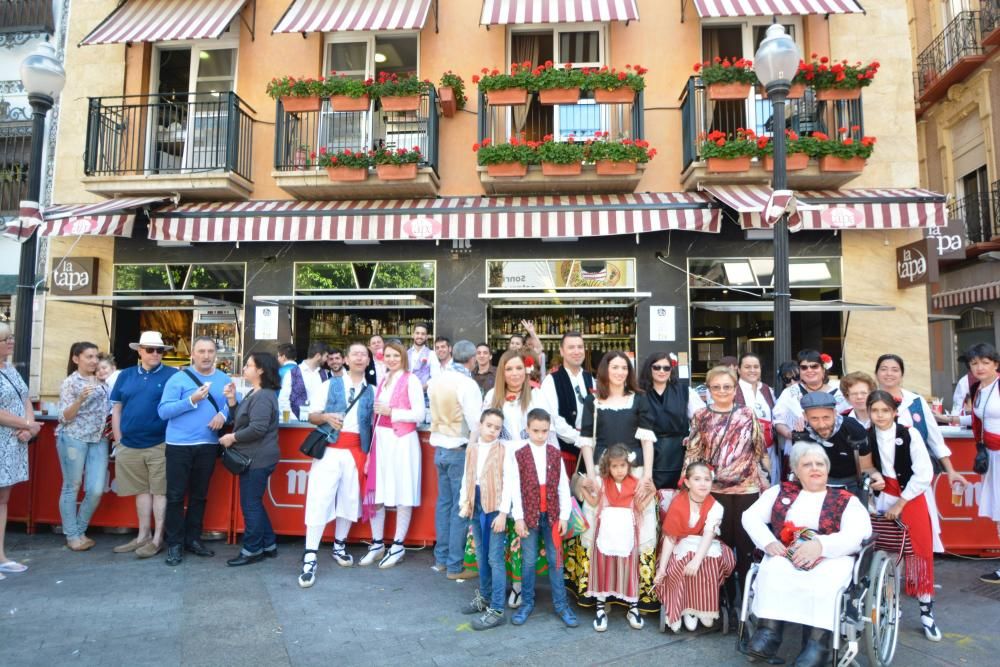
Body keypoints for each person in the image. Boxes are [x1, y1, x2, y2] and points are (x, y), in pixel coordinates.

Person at [742, 442, 872, 666]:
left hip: (833, 556)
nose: (815, 468)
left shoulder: (845, 500)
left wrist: (821, 545)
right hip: (789, 552)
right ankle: (768, 635)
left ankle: (818, 645)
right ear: (795, 470)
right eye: (807, 464)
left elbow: (859, 533)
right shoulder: (780, 492)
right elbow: (750, 517)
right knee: (773, 569)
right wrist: (768, 542)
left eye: (820, 463)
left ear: (827, 468)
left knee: (826, 580)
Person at [568, 351, 658, 614]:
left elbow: (647, 440)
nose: (620, 372)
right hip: (601, 471)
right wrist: (593, 475)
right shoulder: (593, 400)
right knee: (597, 526)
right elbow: (587, 440)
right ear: (605, 371)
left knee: (640, 526)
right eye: (615, 367)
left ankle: (636, 595)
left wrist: (648, 476)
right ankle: (600, 593)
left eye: (624, 368)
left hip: (636, 471)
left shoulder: (639, 399)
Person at [684, 364, 768, 605]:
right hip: (714, 490)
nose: (722, 391)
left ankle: (746, 599)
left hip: (746, 489)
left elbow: (759, 448)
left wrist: (764, 477)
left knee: (745, 545)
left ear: (735, 389)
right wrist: (688, 484)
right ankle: (723, 597)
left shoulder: (747, 413)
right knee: (719, 545)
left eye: (727, 387)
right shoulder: (701, 416)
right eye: (716, 387)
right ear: (709, 389)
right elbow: (693, 452)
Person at [481, 349, 558, 607]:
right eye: (508, 369)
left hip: (530, 468)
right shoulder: (493, 396)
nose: (514, 374)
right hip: (500, 467)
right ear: (502, 372)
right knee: (501, 526)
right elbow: (484, 433)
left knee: (522, 526)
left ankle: (520, 585)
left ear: (525, 371)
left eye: (518, 368)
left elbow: (549, 431)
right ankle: (496, 584)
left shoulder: (536, 395)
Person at [864, 390, 942, 641]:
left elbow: (924, 473)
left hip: (911, 497)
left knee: (917, 553)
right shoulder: (866, 436)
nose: (880, 415)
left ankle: (926, 612)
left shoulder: (909, 434)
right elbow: (867, 468)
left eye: (885, 410)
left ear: (895, 412)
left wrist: (901, 503)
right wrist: (873, 477)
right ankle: (891, 605)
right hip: (883, 496)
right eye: (875, 410)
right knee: (888, 553)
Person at [299, 342, 374, 587]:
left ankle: (339, 545)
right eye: (355, 354)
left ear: (368, 360)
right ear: (345, 359)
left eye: (364, 354)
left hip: (356, 452)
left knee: (349, 499)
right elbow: (311, 415)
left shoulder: (372, 390)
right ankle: (310, 553)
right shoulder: (329, 385)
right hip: (330, 449)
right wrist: (326, 417)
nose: (360, 358)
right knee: (320, 497)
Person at [157, 337, 233, 566]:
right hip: (179, 445)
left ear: (215, 355)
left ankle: (193, 539)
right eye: (201, 351)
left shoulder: (224, 379)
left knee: (199, 496)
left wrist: (223, 414)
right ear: (193, 354)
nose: (206, 355)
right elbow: (163, 411)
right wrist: (191, 399)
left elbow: (232, 403)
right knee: (175, 497)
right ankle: (174, 544)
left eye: (210, 351)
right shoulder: (178, 378)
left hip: (208, 445)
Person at [505, 409, 578, 628]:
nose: (540, 435)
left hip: (553, 515)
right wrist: (517, 517)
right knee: (527, 562)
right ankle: (527, 602)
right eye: (535, 430)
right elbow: (515, 488)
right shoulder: (519, 454)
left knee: (556, 561)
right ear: (527, 429)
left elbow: (563, 486)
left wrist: (564, 516)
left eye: (544, 431)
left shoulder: (555, 453)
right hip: (528, 516)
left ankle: (561, 605)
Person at [110, 331, 178, 559]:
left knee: (160, 491)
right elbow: (117, 408)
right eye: (150, 349)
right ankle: (143, 536)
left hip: (160, 442)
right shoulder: (125, 375)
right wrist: (118, 439)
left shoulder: (172, 375)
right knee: (141, 490)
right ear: (139, 351)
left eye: (160, 350)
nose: (156, 354)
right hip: (129, 443)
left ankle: (157, 538)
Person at [578, 443, 654, 631]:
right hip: (605, 532)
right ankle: (600, 609)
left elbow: (640, 507)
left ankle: (633, 608)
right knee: (602, 567)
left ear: (628, 466)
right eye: (614, 466)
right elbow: (595, 502)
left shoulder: (635, 484)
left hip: (627, 532)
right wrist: (584, 488)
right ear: (607, 467)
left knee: (629, 569)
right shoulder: (602, 482)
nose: (619, 470)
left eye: (622, 465)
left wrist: (651, 491)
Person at [363, 341, 425, 569]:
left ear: (403, 357)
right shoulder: (384, 380)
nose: (390, 359)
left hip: (402, 441)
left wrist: (392, 412)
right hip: (382, 441)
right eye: (387, 355)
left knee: (402, 491)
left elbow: (419, 413)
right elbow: (376, 418)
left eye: (395, 355)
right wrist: (370, 450)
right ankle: (377, 543)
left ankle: (398, 544)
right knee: (378, 491)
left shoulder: (412, 380)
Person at [655, 461, 735, 633]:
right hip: (679, 541)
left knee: (710, 562)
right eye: (697, 479)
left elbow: (708, 534)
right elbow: (670, 537)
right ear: (687, 482)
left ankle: (705, 605)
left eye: (707, 479)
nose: (703, 483)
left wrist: (697, 560)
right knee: (679, 564)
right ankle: (684, 607)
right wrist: (662, 568)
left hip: (704, 542)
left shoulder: (716, 506)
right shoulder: (678, 503)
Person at [875, 353, 968, 495]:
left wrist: (951, 471)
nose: (889, 373)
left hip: (916, 475)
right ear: (876, 373)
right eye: (884, 369)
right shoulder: (869, 401)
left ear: (902, 375)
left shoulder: (915, 401)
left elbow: (934, 439)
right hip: (881, 476)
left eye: (895, 370)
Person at [219, 353, 281, 566]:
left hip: (257, 458)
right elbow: (242, 420)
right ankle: (268, 543)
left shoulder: (263, 396)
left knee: (250, 504)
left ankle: (252, 549)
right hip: (256, 456)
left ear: (261, 370)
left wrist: (231, 437)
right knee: (254, 502)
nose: (244, 368)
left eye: (248, 365)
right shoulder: (257, 393)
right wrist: (232, 400)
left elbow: (257, 428)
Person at [428, 340, 481, 580]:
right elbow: (475, 423)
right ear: (472, 359)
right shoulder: (467, 384)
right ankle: (455, 565)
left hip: (439, 448)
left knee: (444, 505)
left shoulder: (437, 380)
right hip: (460, 449)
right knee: (462, 507)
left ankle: (441, 559)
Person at [458, 409, 510, 630]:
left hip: (494, 509)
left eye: (497, 427)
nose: (492, 430)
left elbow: (509, 482)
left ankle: (497, 608)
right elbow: (467, 476)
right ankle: (486, 597)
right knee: (481, 554)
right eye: (489, 425)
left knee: (495, 558)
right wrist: (464, 502)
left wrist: (503, 513)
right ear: (480, 424)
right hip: (475, 506)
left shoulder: (503, 450)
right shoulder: (472, 449)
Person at [56, 342, 110, 552]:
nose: (94, 361)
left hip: (98, 439)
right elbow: (64, 417)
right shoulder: (71, 383)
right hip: (74, 437)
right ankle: (72, 535)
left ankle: (79, 530)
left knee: (96, 489)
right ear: (76, 359)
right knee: (72, 486)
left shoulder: (103, 378)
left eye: (96, 356)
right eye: (89, 357)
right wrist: (80, 399)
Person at [954, 344, 1000, 582]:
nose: (979, 367)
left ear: (996, 364)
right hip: (991, 455)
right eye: (974, 363)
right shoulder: (978, 388)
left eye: (985, 362)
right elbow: (979, 418)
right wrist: (948, 418)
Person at [0, 323, 40, 578]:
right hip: (6, 437)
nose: (12, 342)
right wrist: (26, 424)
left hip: (13, 442)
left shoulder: (10, 369)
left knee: (3, 500)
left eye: (12, 337)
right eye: (6, 339)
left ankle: (1, 556)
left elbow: (24, 397)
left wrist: (29, 427)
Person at [773, 350, 847, 478]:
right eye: (804, 367)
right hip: (801, 453)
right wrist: (791, 434)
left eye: (814, 366)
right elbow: (778, 421)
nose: (809, 370)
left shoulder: (840, 391)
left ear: (823, 369)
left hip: (838, 452)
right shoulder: (789, 393)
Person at [640, 352, 705, 490]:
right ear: (649, 368)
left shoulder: (685, 391)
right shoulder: (639, 393)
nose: (662, 371)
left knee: (677, 496)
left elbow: (703, 419)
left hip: (678, 452)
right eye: (657, 367)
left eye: (666, 368)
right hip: (648, 452)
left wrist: (692, 436)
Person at [791, 392, 871, 497]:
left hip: (852, 484)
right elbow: (800, 469)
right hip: (816, 484)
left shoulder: (852, 428)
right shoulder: (801, 434)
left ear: (834, 413)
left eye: (826, 417)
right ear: (805, 416)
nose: (822, 425)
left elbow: (866, 467)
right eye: (814, 418)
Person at [539, 332, 594, 475]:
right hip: (565, 451)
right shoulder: (551, 381)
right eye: (571, 347)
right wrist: (580, 439)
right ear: (562, 351)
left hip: (589, 449)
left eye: (580, 347)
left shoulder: (591, 378)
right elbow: (553, 419)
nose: (577, 351)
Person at [735, 353, 779, 484]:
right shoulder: (731, 389)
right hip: (744, 449)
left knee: (770, 484)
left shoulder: (767, 389)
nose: (752, 370)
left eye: (756, 367)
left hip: (769, 447)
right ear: (739, 369)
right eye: (747, 367)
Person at [278, 341, 328, 421]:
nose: (327, 360)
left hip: (320, 426)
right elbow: (283, 401)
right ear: (318, 356)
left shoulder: (324, 374)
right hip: (296, 425)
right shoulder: (292, 373)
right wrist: (294, 420)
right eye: (326, 356)